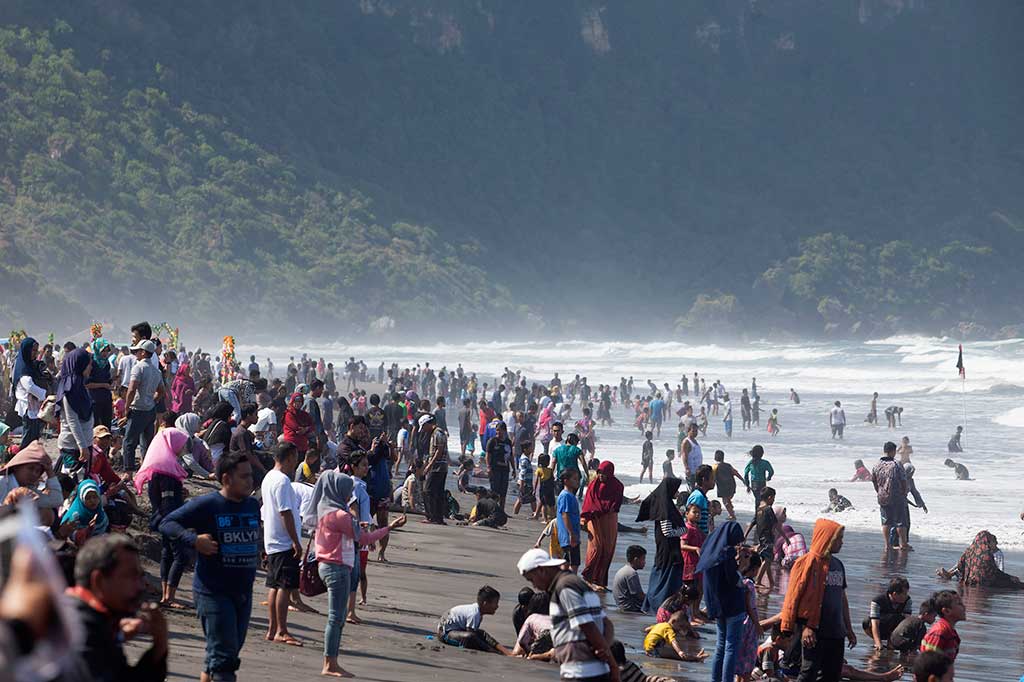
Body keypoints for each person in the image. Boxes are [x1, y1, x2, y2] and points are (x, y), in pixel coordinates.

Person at [310, 470, 406, 675]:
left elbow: (347, 530)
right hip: (337, 568)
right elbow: (363, 539)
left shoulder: (324, 509)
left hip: (325, 565)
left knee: (337, 617)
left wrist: (358, 526)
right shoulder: (341, 515)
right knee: (336, 618)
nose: (349, 496)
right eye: (347, 492)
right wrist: (389, 527)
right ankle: (330, 663)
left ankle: (331, 661)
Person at [68, 534, 169, 680]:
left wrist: (159, 643)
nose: (140, 586)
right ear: (99, 580)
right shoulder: (77, 631)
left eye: (140, 577)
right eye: (130, 576)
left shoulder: (98, 620)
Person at [517, 548, 619, 682]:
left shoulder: (565, 587)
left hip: (581, 672)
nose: (534, 586)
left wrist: (612, 664)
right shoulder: (579, 584)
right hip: (593, 670)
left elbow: (586, 624)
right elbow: (606, 624)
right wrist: (605, 648)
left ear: (541, 570)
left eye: (531, 579)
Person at [779, 519, 855, 682]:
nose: (842, 543)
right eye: (839, 539)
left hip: (836, 630)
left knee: (832, 674)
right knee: (809, 672)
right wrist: (796, 626)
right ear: (828, 539)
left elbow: (842, 598)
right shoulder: (806, 563)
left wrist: (848, 628)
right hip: (813, 629)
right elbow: (793, 597)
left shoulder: (838, 565)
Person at [135, 427, 192, 608]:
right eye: (181, 444)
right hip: (170, 518)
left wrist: (178, 495)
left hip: (162, 517)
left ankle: (166, 595)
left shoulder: (159, 469)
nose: (183, 447)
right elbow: (167, 502)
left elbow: (162, 498)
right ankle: (170, 596)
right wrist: (175, 521)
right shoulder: (167, 472)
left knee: (167, 553)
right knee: (180, 555)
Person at [695, 521, 753, 681]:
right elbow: (733, 579)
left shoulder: (710, 549)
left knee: (721, 646)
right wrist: (743, 566)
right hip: (732, 605)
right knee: (731, 647)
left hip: (717, 605)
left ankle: (716, 679)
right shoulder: (726, 554)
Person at [261, 442, 303, 647]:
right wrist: (295, 541)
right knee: (284, 586)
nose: (296, 462)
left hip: (272, 539)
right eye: (295, 458)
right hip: (283, 540)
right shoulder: (283, 481)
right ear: (288, 458)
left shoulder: (268, 477)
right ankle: (281, 630)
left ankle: (272, 629)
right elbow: (285, 512)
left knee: (275, 585)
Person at [637, 477, 685, 613]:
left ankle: (655, 605)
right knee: (666, 577)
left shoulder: (665, 504)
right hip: (669, 549)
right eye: (675, 489)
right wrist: (683, 530)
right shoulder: (665, 507)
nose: (677, 492)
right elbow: (668, 531)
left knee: (660, 574)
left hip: (665, 548)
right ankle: (660, 605)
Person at [121, 339, 165, 471]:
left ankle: (128, 471)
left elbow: (132, 389)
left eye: (138, 351)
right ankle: (146, 469)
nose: (136, 354)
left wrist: (127, 407)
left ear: (143, 352)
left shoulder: (138, 368)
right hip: (150, 410)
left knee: (129, 442)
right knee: (146, 442)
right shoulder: (156, 371)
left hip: (138, 409)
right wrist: (153, 400)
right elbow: (161, 391)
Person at [580, 460, 623, 589]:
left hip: (609, 519)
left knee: (607, 550)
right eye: (599, 473)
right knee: (596, 548)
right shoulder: (594, 485)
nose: (600, 476)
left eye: (603, 474)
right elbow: (588, 502)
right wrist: (584, 518)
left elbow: (616, 504)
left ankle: (599, 580)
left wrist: (608, 509)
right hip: (595, 519)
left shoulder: (617, 486)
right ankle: (588, 578)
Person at [437, 585, 512, 655]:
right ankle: (492, 650)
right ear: (485, 604)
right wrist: (487, 647)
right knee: (471, 637)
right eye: (495, 603)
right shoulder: (474, 613)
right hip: (445, 635)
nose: (497, 606)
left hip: (456, 630)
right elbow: (472, 635)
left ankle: (506, 651)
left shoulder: (478, 611)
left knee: (482, 633)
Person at [55, 348, 94, 477]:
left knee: (83, 483)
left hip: (84, 444)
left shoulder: (81, 387)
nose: (91, 367)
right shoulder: (69, 390)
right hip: (73, 446)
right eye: (88, 364)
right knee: (74, 483)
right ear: (80, 365)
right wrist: (82, 446)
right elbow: (72, 421)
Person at [936, 530, 1023, 587]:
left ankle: (949, 574)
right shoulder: (987, 554)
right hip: (985, 581)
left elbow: (960, 565)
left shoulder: (969, 551)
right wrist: (1010, 577)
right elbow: (996, 572)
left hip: (969, 579)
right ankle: (950, 574)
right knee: (1015, 584)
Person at [744, 487, 786, 591]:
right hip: (768, 539)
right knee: (768, 559)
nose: (773, 501)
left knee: (767, 559)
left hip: (761, 539)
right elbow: (776, 524)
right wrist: (785, 537)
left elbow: (752, 523)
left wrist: (745, 535)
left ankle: (771, 582)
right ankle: (758, 580)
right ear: (769, 497)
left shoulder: (759, 509)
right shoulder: (768, 509)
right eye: (773, 498)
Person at [872, 441, 909, 550]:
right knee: (900, 521)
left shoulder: (876, 465)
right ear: (893, 451)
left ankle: (887, 545)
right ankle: (903, 544)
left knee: (885, 521)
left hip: (882, 496)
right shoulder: (897, 464)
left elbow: (873, 481)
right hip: (897, 496)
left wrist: (878, 491)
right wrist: (904, 492)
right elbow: (903, 480)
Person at [12, 337, 48, 448]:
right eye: (33, 350)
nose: (35, 353)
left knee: (35, 436)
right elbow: (29, 386)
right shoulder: (23, 367)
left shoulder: (32, 365)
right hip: (27, 406)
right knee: (28, 436)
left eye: (36, 351)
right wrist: (45, 394)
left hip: (35, 405)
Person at [862, 577, 912, 650]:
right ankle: (878, 641)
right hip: (881, 627)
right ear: (895, 594)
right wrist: (878, 643)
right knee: (866, 622)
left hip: (896, 630)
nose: (906, 596)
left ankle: (891, 644)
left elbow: (907, 622)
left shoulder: (907, 600)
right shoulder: (877, 601)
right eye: (904, 594)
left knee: (898, 618)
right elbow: (875, 624)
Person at [643, 609, 708, 662]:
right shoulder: (669, 629)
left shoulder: (660, 624)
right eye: (680, 626)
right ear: (673, 622)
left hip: (647, 647)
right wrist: (680, 652)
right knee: (677, 655)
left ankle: (695, 656)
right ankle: (697, 658)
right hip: (654, 649)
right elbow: (673, 642)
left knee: (668, 648)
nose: (680, 628)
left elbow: (646, 629)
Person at [920, 590, 964, 662]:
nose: (964, 607)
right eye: (959, 604)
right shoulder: (940, 632)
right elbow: (929, 665)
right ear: (947, 611)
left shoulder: (950, 632)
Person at [421, 414, 449, 524]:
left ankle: (431, 516)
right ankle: (438, 517)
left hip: (437, 467)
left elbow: (439, 450)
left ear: (428, 424)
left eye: (423, 427)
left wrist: (429, 466)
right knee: (438, 492)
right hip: (441, 466)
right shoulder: (436, 432)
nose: (423, 430)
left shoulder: (437, 433)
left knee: (428, 491)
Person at [679, 503, 705, 620]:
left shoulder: (697, 529)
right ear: (687, 514)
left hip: (698, 563)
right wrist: (695, 548)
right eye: (694, 512)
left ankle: (695, 612)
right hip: (689, 563)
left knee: (700, 588)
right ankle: (690, 615)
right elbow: (682, 545)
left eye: (699, 513)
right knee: (690, 589)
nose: (697, 515)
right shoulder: (687, 528)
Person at [86, 338, 117, 428]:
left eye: (107, 351)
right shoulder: (92, 363)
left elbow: (106, 380)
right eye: (103, 351)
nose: (105, 354)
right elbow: (87, 384)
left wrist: (112, 381)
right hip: (94, 400)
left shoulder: (106, 364)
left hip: (106, 399)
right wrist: (103, 385)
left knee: (107, 425)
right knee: (95, 426)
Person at [557, 469, 583, 572]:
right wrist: (571, 533)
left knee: (567, 562)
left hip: (569, 536)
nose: (577, 481)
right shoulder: (566, 496)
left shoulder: (569, 495)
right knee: (574, 564)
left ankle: (563, 584)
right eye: (575, 479)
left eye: (578, 479)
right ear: (566, 481)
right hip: (569, 537)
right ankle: (569, 584)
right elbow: (565, 515)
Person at [612, 545, 647, 612]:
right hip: (629, 607)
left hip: (621, 605)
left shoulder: (624, 569)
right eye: (643, 559)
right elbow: (639, 596)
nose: (645, 562)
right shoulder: (631, 573)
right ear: (636, 560)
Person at [486, 421, 512, 509]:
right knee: (494, 491)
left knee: (503, 492)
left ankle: (501, 510)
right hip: (495, 469)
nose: (498, 432)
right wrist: (488, 467)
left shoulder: (508, 442)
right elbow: (488, 455)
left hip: (505, 469)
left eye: (500, 430)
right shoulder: (492, 441)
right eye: (497, 430)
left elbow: (511, 456)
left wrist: (514, 469)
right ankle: (492, 509)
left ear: (504, 431)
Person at [712, 449, 743, 520]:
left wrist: (711, 484)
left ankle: (732, 515)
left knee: (725, 501)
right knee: (728, 500)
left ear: (715, 458)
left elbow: (712, 478)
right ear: (723, 458)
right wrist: (743, 480)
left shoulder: (714, 467)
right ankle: (731, 511)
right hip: (732, 485)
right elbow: (735, 473)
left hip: (723, 487)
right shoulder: (728, 465)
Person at [513, 439, 536, 516]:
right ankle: (515, 513)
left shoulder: (525, 459)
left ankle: (535, 512)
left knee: (531, 499)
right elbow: (522, 473)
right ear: (525, 449)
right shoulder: (524, 460)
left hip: (527, 483)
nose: (531, 449)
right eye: (530, 448)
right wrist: (522, 485)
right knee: (521, 499)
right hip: (525, 483)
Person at [681, 422, 702, 488]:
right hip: (691, 471)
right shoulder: (686, 442)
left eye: (696, 431)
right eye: (693, 431)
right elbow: (684, 455)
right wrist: (687, 468)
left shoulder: (695, 441)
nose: (695, 433)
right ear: (688, 431)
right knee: (691, 489)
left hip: (697, 470)